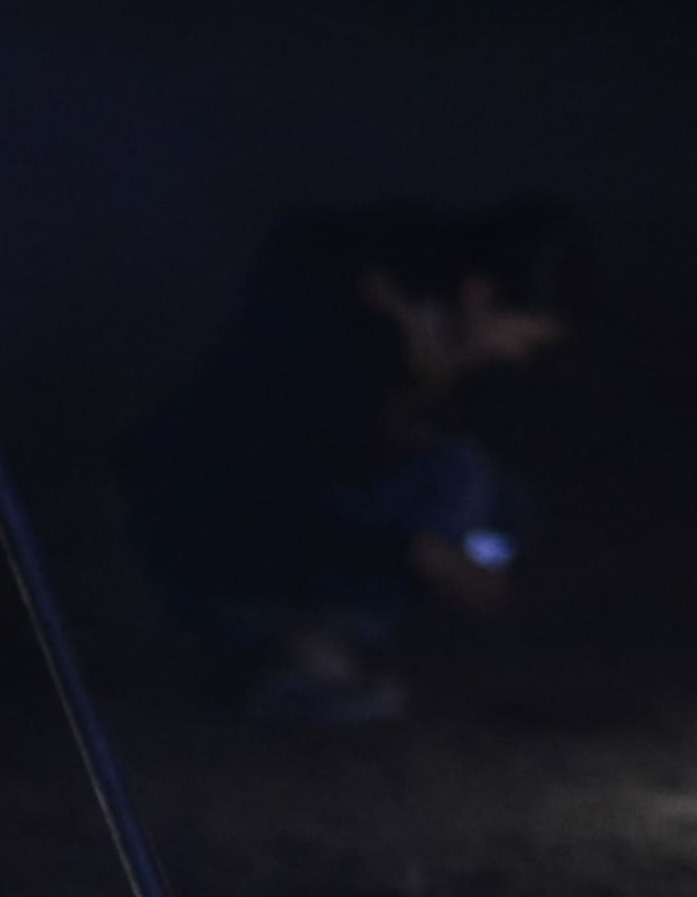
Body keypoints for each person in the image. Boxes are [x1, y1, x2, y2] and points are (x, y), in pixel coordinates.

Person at [118, 200, 578, 727]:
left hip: (292, 520)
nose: (517, 355)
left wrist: (473, 558)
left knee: (480, 493)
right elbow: (276, 489)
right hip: (210, 539)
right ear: (481, 295)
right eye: (524, 335)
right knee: (452, 483)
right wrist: (421, 553)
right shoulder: (343, 334)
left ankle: (333, 647)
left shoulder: (420, 348)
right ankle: (293, 653)